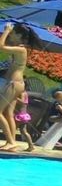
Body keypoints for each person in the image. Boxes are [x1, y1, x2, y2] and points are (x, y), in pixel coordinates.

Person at [0, 23, 28, 151]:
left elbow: (1, 46)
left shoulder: (21, 49)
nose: (11, 34)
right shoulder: (18, 48)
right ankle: (12, 143)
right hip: (15, 83)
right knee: (8, 113)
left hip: (14, 83)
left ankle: (11, 142)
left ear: (20, 35)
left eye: (13, 33)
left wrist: (6, 31)